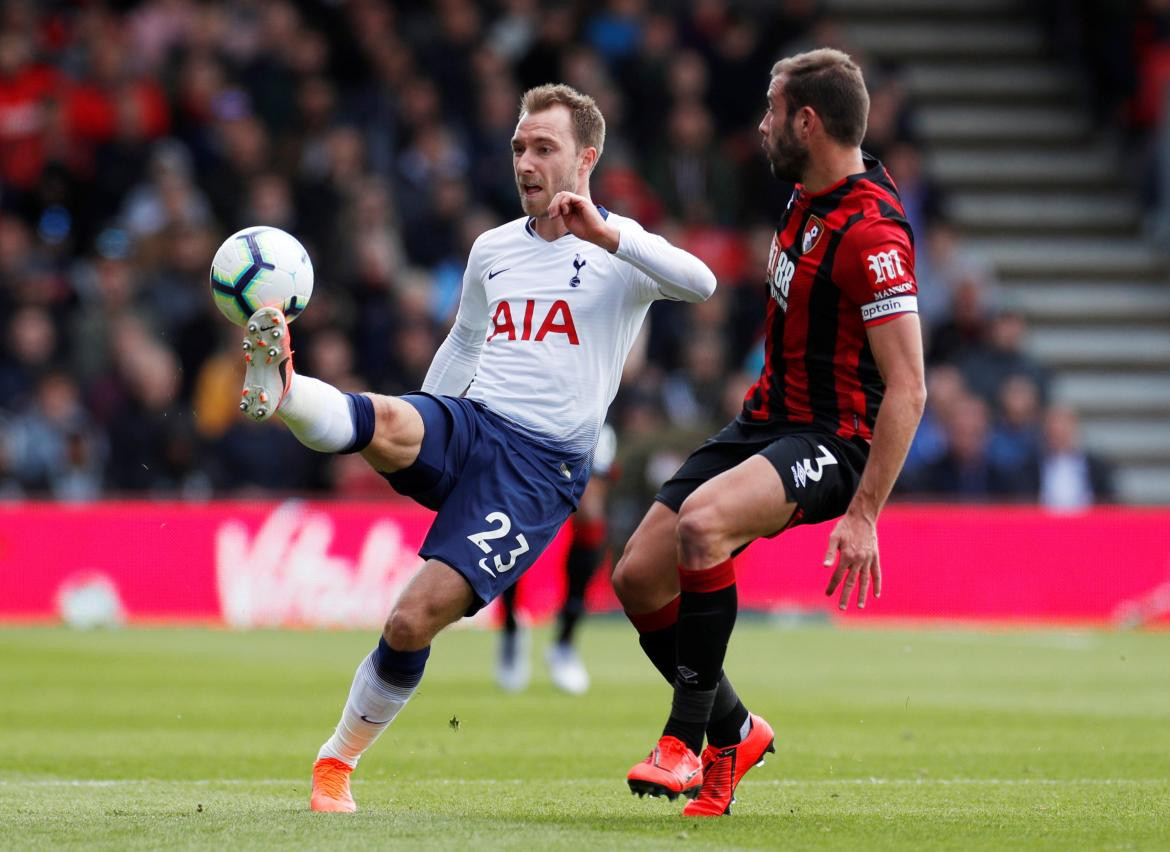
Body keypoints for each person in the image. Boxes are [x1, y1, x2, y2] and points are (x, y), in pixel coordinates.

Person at [232, 83, 715, 813]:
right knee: (387, 418)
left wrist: (609, 233)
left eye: (543, 147)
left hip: (537, 470)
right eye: (519, 146)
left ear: (586, 158)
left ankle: (336, 764)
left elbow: (703, 283)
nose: (525, 160)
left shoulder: (620, 253)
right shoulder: (493, 248)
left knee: (408, 621)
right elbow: (463, 341)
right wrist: (427, 411)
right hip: (472, 421)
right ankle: (285, 386)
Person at [611, 48, 927, 816]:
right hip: (766, 417)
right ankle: (736, 731)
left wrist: (863, 516)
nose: (759, 127)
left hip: (833, 436)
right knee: (637, 578)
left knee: (703, 524)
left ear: (807, 122)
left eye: (770, 112)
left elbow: (911, 388)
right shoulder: (804, 194)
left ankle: (684, 743)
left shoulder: (873, 235)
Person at [496, 422, 616, 695]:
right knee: (517, 514)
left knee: (590, 512)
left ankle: (565, 641)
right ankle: (511, 627)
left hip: (586, 414)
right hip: (533, 413)